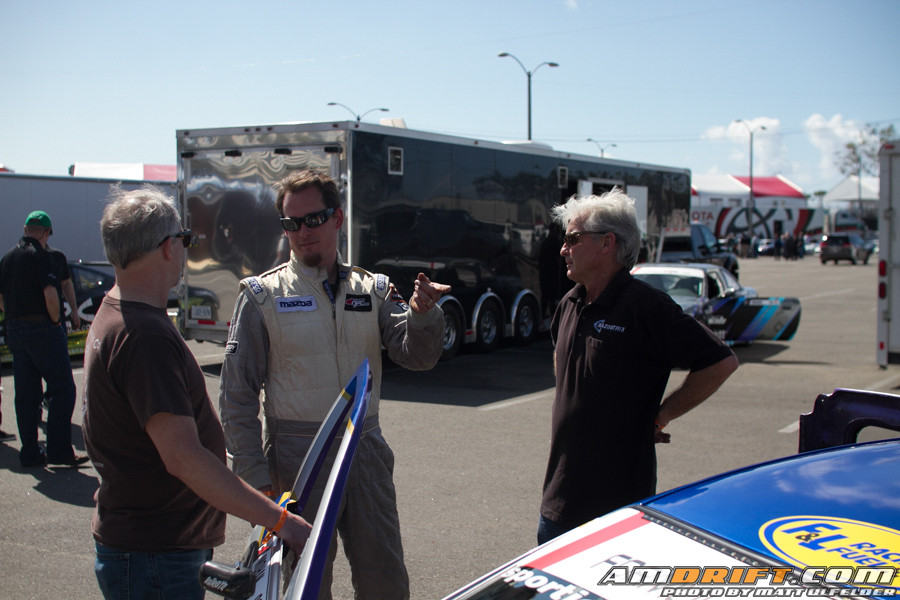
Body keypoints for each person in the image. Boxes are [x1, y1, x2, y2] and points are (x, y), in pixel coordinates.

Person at [219, 169, 449, 600]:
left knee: (385, 580)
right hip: (296, 461)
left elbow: (416, 356)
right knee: (304, 585)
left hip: (365, 451)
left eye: (313, 219)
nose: (301, 232)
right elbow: (237, 395)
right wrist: (253, 478)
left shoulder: (373, 288)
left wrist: (421, 315)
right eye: (290, 223)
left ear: (338, 218)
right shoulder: (262, 296)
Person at [82, 185, 311, 600]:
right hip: (155, 554)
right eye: (185, 239)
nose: (186, 249)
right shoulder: (145, 336)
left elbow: (156, 440)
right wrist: (282, 522)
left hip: (144, 545)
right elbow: (183, 458)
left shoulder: (115, 311)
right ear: (168, 247)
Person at [538, 189, 739, 545]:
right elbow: (563, 362)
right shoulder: (569, 303)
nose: (562, 249)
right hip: (557, 502)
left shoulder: (645, 306)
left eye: (572, 238)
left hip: (616, 508)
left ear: (607, 243)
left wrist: (662, 415)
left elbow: (720, 362)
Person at [0, 210, 84, 467]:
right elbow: (50, 295)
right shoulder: (42, 256)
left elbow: (1, 299)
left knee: (26, 393)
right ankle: (59, 451)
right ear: (47, 233)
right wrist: (56, 320)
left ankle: (30, 452)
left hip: (15, 329)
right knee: (62, 389)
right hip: (42, 328)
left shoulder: (7, 259)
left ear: (25, 228)